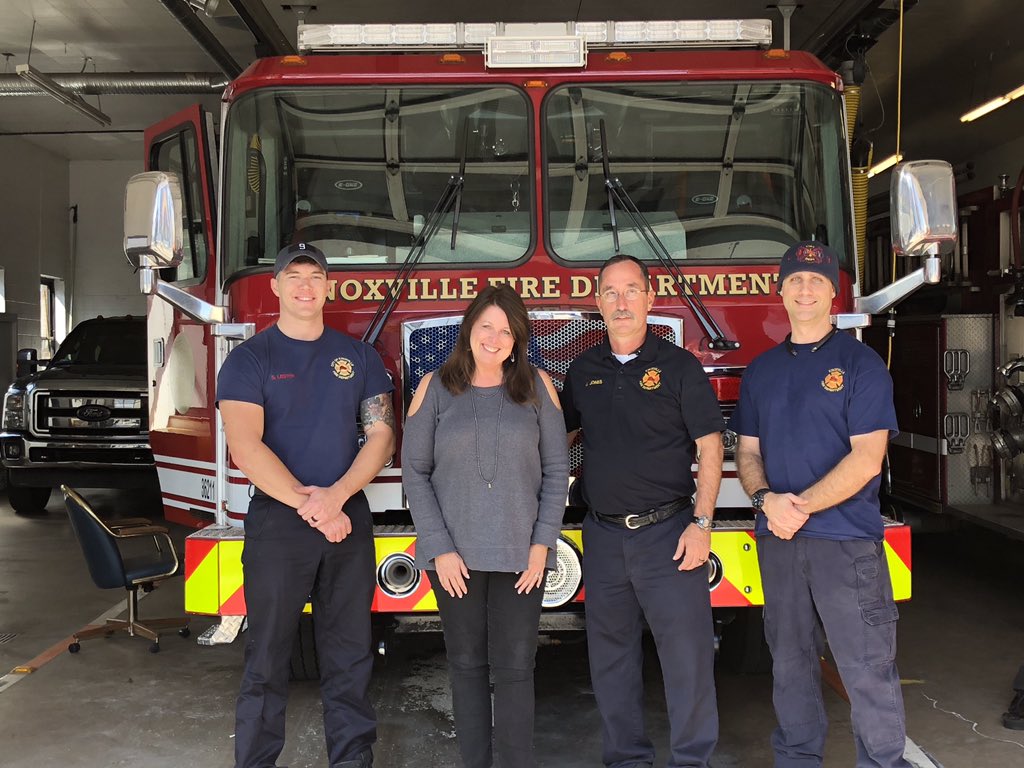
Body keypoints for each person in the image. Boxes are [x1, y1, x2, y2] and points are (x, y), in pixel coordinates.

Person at [731, 240, 911, 768]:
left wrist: (797, 508)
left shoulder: (862, 364)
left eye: (817, 281)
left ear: (834, 293)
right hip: (780, 543)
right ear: (780, 291)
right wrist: (765, 500)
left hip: (845, 544)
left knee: (866, 666)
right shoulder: (761, 371)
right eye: (795, 280)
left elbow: (867, 460)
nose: (805, 289)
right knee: (789, 664)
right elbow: (747, 451)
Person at [217, 242, 395, 768]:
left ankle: (352, 760)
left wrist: (336, 498)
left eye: (314, 275)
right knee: (267, 658)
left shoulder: (360, 357)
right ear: (274, 287)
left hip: (346, 520)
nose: (304, 285)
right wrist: (309, 504)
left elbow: (382, 435)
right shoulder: (249, 359)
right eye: (292, 275)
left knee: (350, 656)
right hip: (279, 522)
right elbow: (246, 445)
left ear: (327, 286)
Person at [561, 254, 724, 768]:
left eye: (632, 290)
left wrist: (702, 524)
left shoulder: (680, 366)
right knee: (611, 663)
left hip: (670, 534)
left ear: (651, 299)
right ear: (598, 303)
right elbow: (557, 440)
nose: (621, 301)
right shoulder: (582, 370)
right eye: (610, 292)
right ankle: (627, 760)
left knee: (687, 661)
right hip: (604, 538)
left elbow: (712, 447)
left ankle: (692, 760)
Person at [401, 284, 569, 768]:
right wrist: (439, 547)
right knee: (467, 667)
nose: (494, 339)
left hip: (522, 558)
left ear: (518, 339)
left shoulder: (539, 388)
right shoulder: (433, 388)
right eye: (485, 327)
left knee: (517, 669)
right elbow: (416, 471)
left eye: (506, 330)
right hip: (455, 558)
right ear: (469, 331)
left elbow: (557, 470)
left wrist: (542, 544)